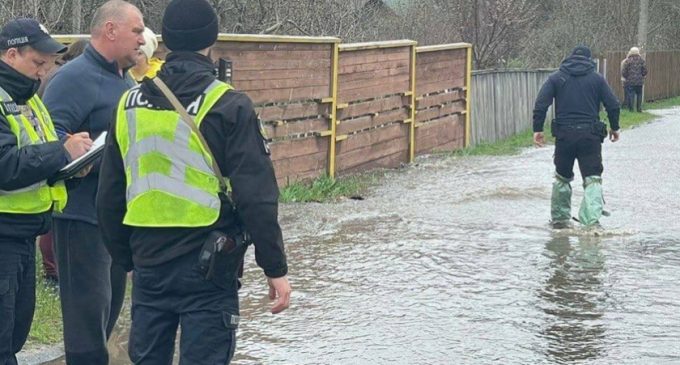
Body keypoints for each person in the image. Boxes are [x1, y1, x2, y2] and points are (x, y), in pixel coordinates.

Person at [97, 0, 291, 363]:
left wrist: (129, 260)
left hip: (148, 263)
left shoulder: (128, 104)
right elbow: (257, 198)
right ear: (211, 39)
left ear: (165, 39)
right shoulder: (228, 104)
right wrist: (275, 268)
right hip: (209, 266)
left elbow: (108, 198)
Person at [41, 1, 145, 363]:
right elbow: (46, 136)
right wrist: (70, 148)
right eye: (136, 31)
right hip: (80, 218)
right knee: (87, 325)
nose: (143, 40)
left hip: (115, 219)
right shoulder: (73, 79)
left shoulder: (124, 79)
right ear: (110, 30)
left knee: (108, 315)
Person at [0, 18, 93, 365]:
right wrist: (61, 151)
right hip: (3, 237)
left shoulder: (28, 99)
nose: (43, 73)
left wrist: (71, 167)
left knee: (14, 338)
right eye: (38, 63)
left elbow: (38, 159)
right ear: (11, 54)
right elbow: (5, 166)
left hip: (23, 235)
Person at [533, 46, 621, 229]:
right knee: (593, 178)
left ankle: (559, 219)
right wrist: (614, 127)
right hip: (590, 137)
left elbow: (541, 104)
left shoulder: (557, 77)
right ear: (590, 60)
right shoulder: (597, 79)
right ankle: (590, 224)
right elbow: (613, 105)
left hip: (564, 137)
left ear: (569, 58)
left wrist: (538, 129)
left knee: (562, 177)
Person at [36, 38, 89, 287]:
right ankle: (52, 271)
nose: (41, 68)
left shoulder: (52, 78)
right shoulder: (65, 79)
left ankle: (51, 270)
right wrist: (67, 149)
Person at [621, 46, 647, 112]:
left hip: (630, 81)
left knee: (631, 95)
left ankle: (631, 109)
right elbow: (645, 70)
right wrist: (642, 75)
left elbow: (624, 71)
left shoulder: (627, 61)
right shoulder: (641, 60)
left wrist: (626, 77)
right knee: (639, 94)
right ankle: (639, 109)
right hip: (639, 81)